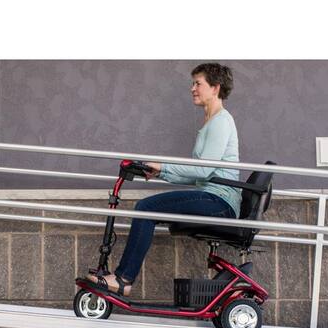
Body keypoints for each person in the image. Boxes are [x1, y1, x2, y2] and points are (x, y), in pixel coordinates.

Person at [87, 62, 241, 296]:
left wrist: (164, 166)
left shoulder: (221, 122)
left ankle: (123, 279)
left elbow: (202, 171)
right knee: (147, 208)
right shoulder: (212, 121)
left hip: (220, 202)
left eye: (198, 83)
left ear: (215, 88)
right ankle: (122, 277)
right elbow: (200, 175)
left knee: (146, 208)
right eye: (193, 84)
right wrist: (162, 172)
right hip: (212, 196)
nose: (192, 88)